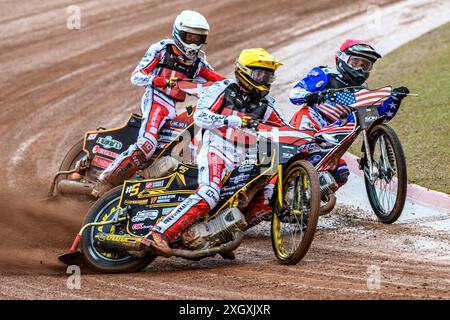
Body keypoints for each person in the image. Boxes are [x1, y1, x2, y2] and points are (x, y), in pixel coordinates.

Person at [142, 48, 291, 256]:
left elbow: (286, 128)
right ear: (244, 72)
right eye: (260, 74)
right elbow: (201, 116)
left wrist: (316, 137)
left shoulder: (267, 104)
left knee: (253, 193)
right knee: (209, 194)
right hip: (217, 146)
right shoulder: (223, 89)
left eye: (269, 75)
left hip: (246, 154)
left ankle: (218, 234)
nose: (265, 80)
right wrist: (233, 120)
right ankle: (158, 233)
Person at [92, 10, 225, 197]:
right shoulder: (161, 50)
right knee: (147, 143)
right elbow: (136, 76)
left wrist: (239, 90)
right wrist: (159, 81)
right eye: (190, 37)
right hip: (156, 99)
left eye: (199, 38)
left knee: (186, 150)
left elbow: (221, 82)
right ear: (179, 33)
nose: (194, 43)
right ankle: (105, 181)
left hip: (176, 107)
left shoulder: (199, 63)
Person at [289, 39, 410, 187]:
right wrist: (310, 95)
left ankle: (310, 202)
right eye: (355, 63)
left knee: (341, 173)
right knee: (294, 156)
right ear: (342, 59)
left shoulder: (362, 92)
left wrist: (394, 99)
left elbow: (378, 117)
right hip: (308, 123)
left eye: (365, 66)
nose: (359, 69)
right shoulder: (326, 74)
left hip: (333, 136)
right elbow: (295, 93)